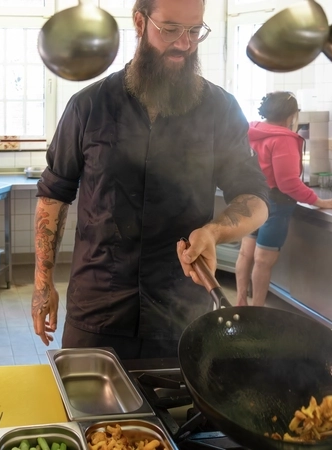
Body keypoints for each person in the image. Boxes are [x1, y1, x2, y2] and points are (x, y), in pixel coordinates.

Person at [31, 0, 270, 360]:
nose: (184, 44)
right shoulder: (88, 106)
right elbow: (54, 195)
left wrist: (215, 232)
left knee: (181, 417)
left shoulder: (220, 109)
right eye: (171, 30)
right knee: (90, 416)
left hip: (182, 314)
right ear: (140, 23)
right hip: (98, 311)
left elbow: (254, 201)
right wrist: (42, 284)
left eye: (195, 31)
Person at [235, 92, 332, 307]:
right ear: (292, 114)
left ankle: (241, 302)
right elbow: (288, 183)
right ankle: (257, 311)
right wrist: (319, 201)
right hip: (274, 204)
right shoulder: (284, 139)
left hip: (250, 198)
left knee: (245, 252)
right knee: (262, 259)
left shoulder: (252, 130)